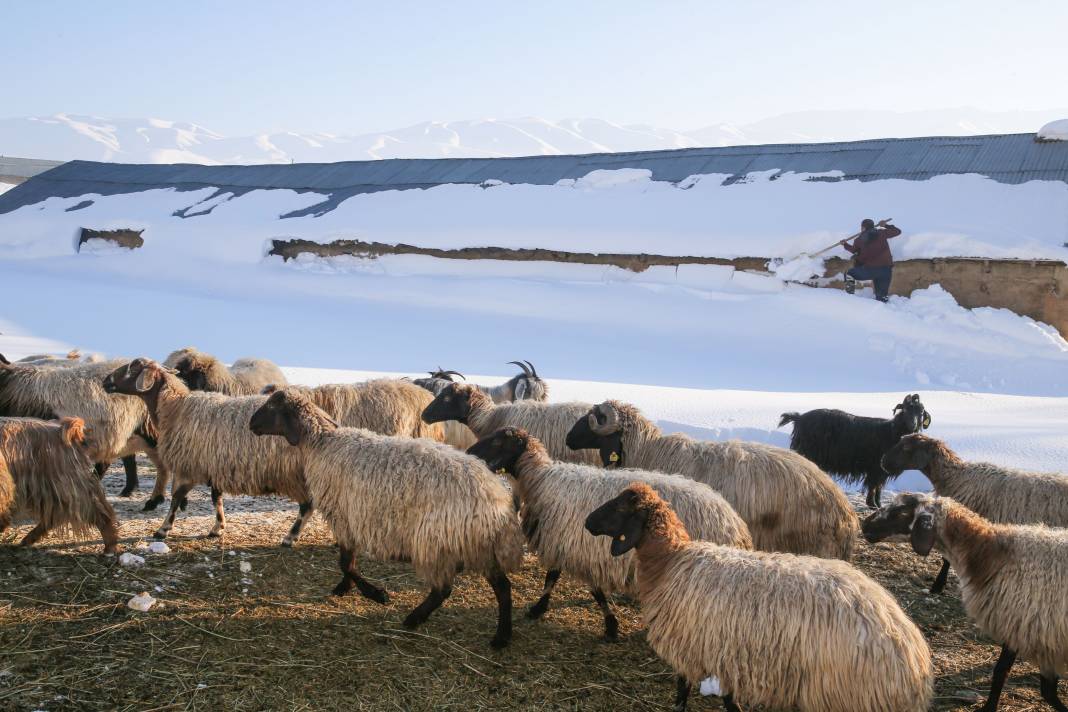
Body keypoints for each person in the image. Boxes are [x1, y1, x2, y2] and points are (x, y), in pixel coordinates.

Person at [841, 218, 901, 302]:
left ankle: (849, 296)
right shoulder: (882, 233)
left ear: (863, 228)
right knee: (882, 297)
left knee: (850, 273)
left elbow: (853, 250)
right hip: (886, 270)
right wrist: (885, 225)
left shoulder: (858, 240)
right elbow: (897, 231)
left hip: (871, 270)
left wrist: (845, 244)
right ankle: (883, 309)